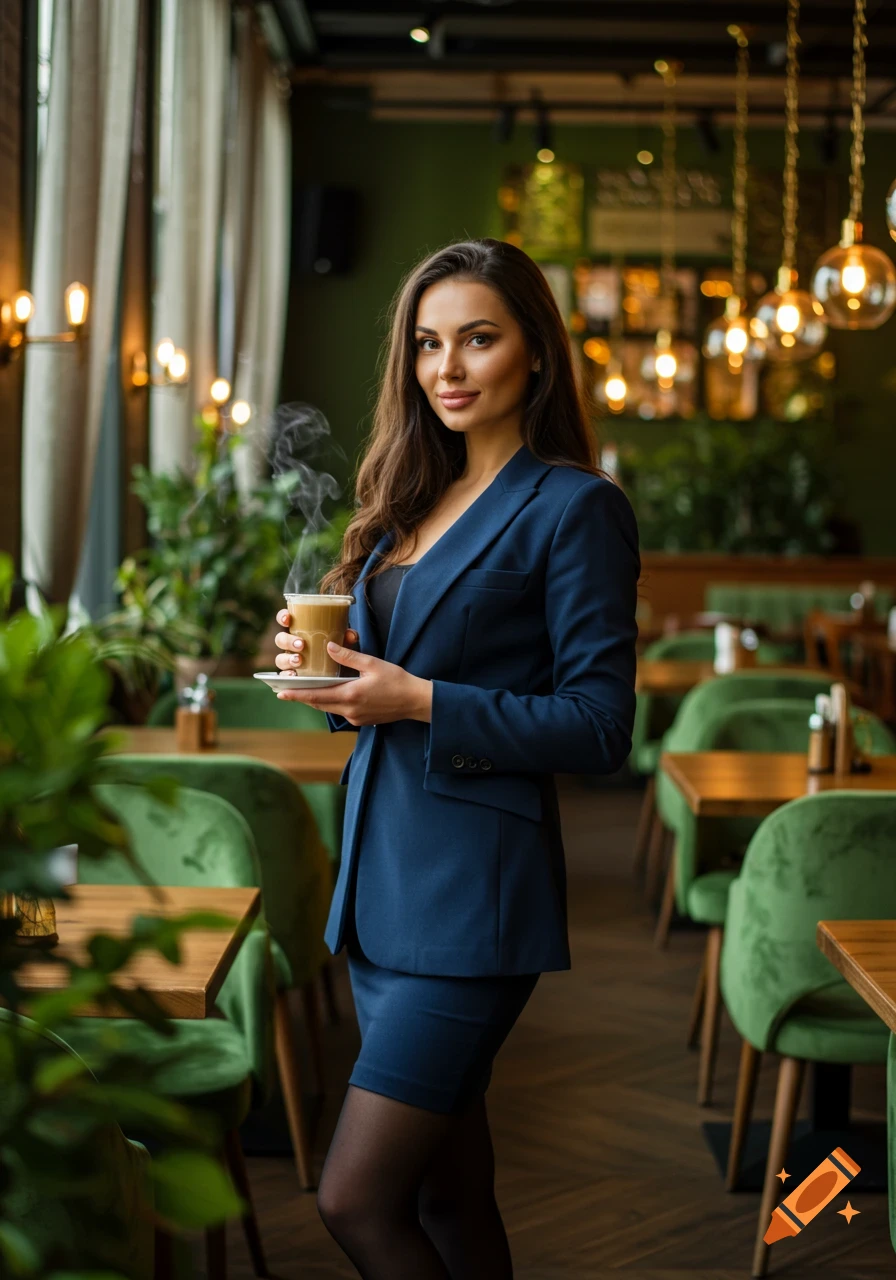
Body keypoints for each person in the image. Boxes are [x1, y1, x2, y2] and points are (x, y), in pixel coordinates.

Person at [272, 237, 640, 1279]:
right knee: (445, 1187)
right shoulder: (403, 509)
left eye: (478, 338)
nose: (448, 366)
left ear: (534, 351)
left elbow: (598, 727)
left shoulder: (575, 507)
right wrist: (332, 681)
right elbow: (377, 695)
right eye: (430, 343)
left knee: (354, 1199)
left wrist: (418, 697)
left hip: (471, 900)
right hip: (379, 892)